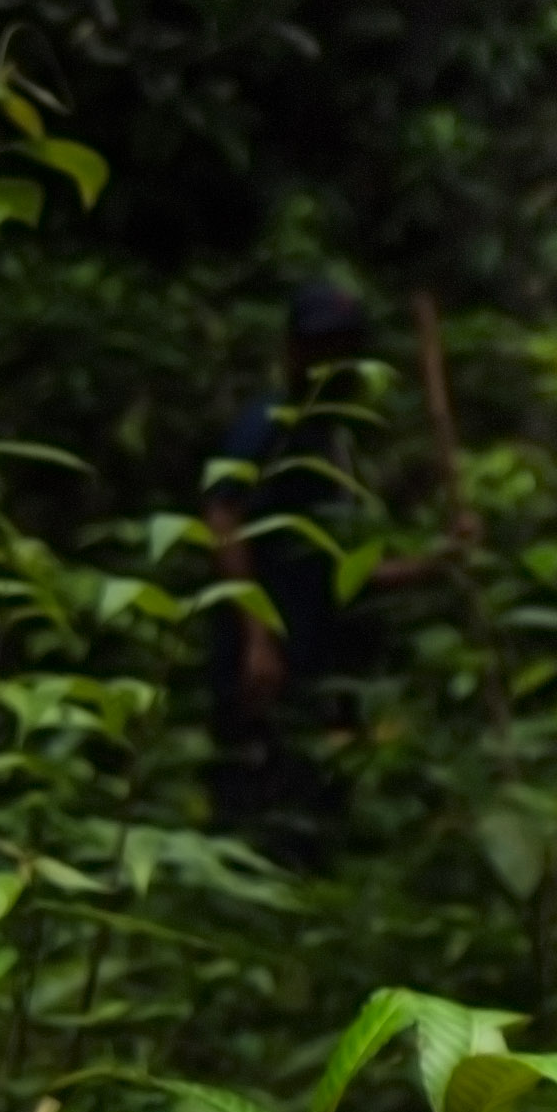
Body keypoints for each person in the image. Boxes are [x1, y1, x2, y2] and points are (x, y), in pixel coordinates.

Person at [201, 281, 384, 854]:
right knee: (253, 802)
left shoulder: (334, 440)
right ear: (293, 351)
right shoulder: (271, 422)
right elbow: (222, 511)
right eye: (317, 348)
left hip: (317, 652)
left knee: (313, 806)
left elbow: (343, 570)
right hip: (264, 650)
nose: (330, 362)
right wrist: (257, 636)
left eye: (342, 348)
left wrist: (441, 563)